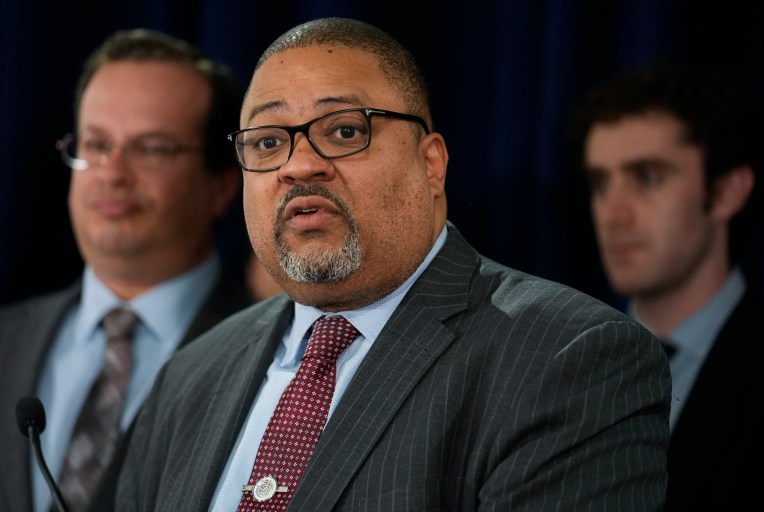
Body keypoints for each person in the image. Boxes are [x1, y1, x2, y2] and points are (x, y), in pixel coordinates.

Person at [117, 18, 671, 511]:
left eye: (344, 131)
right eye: (266, 143)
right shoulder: (190, 379)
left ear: (431, 164)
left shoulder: (567, 358)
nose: (299, 165)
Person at [0, 28, 253, 512]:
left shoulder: (277, 359)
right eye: (96, 144)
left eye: (153, 148)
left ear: (222, 184)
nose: (112, 171)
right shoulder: (6, 339)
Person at [569, 62, 764, 510]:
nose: (612, 214)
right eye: (601, 182)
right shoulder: (559, 361)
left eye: (647, 177)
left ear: (726, 192)